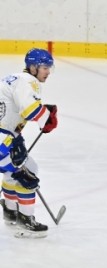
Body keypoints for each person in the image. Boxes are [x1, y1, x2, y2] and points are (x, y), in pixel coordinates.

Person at [1, 48, 59, 238]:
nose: (48, 72)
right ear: (33, 67)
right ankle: (25, 222)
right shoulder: (28, 81)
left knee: (14, 172)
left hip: (5, 137)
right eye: (45, 68)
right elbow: (30, 110)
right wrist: (46, 118)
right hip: (2, 141)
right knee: (27, 175)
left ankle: (11, 212)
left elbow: (13, 110)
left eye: (49, 68)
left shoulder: (14, 79)